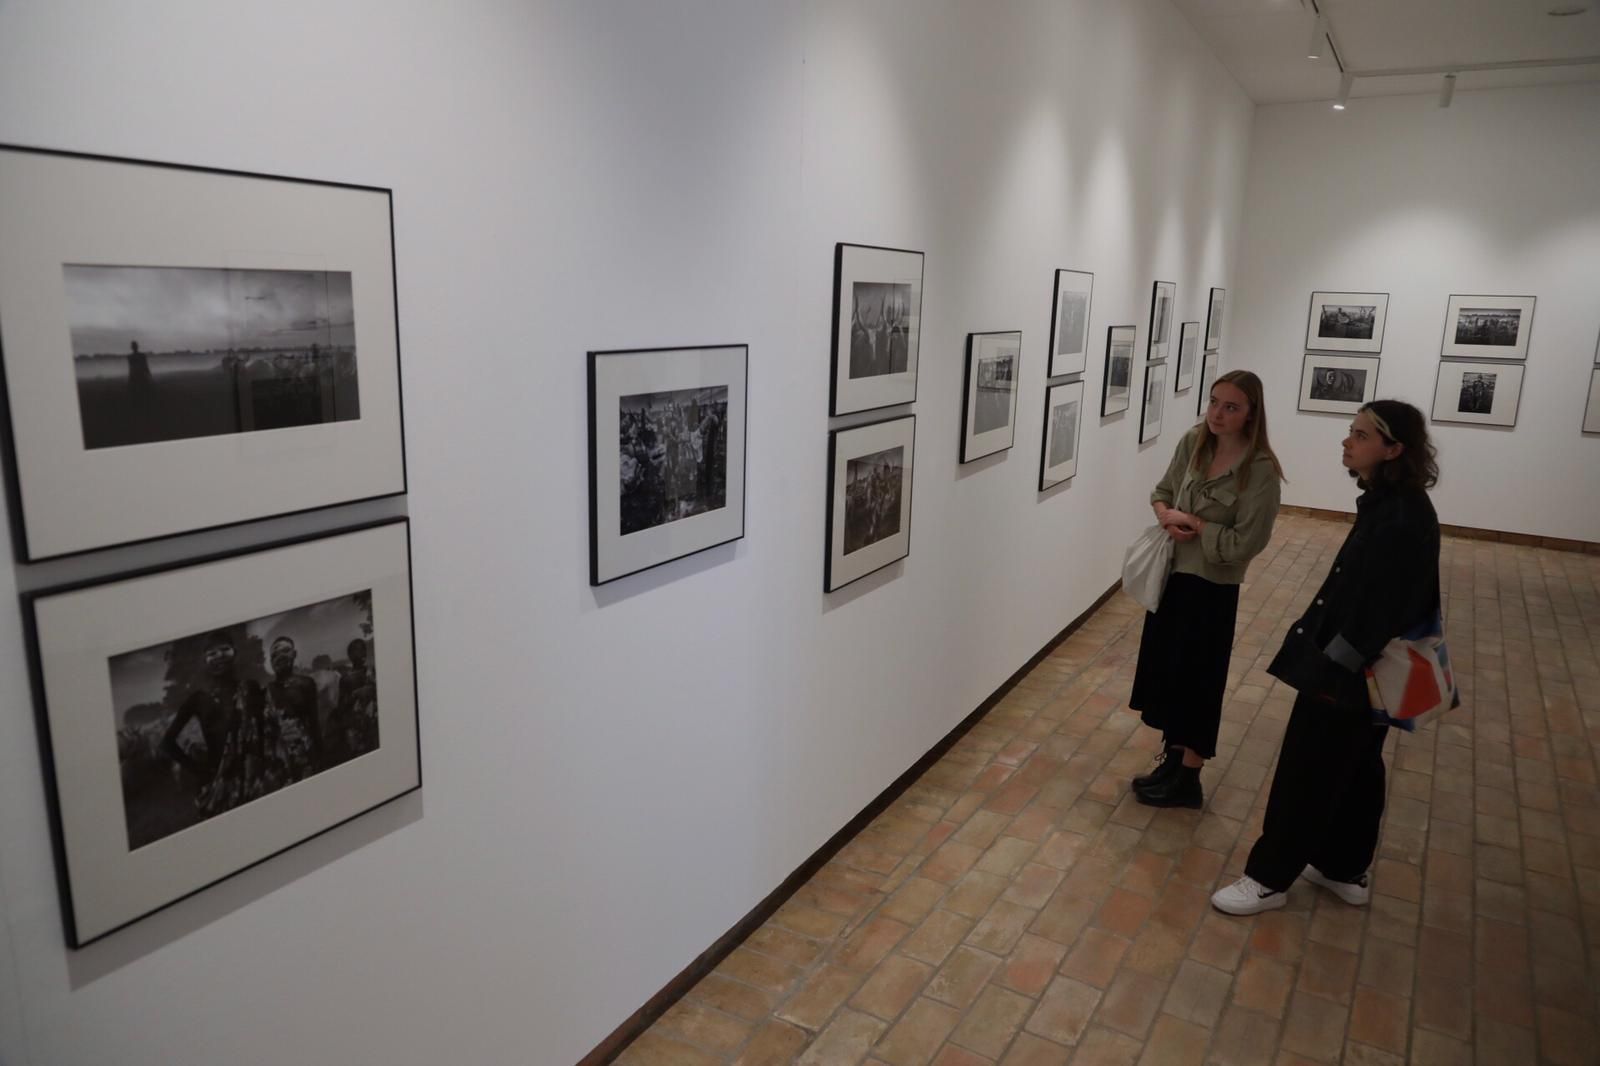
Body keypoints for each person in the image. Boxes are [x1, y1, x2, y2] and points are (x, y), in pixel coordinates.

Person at [1212, 399, 1441, 915]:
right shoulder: (1390, 502)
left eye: (1360, 435)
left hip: (1351, 668)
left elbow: (1380, 609)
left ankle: (1268, 878)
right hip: (1364, 667)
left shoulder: (1401, 517)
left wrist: (1332, 664)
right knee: (1357, 766)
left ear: (1394, 448)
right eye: (1351, 431)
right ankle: (1344, 868)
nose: (1347, 441)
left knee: (1307, 768)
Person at [1128, 370, 1285, 808]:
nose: (1217, 413)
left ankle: (1189, 776)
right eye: (1214, 401)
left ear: (1251, 414)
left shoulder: (1260, 472)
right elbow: (1162, 492)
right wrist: (1165, 515)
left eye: (1231, 406)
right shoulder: (1194, 442)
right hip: (1173, 578)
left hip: (1212, 589)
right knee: (1169, 673)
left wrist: (1194, 523)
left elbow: (1245, 544)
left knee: (1200, 680)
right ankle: (1171, 762)